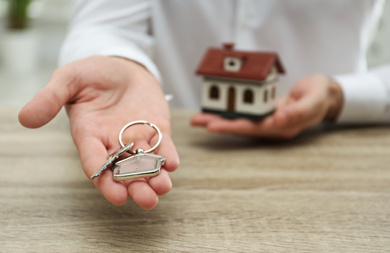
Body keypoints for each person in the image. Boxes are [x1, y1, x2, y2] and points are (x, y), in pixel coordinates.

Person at [18, 0, 390, 209]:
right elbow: (104, 23)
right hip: (187, 160)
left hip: (338, 155)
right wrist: (118, 60)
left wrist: (341, 95)